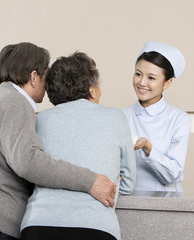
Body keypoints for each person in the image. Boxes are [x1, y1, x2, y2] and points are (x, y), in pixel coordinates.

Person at [0, 42, 117, 240]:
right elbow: (28, 161)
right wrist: (90, 180)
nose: (48, 84)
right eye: (46, 74)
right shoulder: (14, 101)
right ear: (33, 77)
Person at [20, 52, 136, 240]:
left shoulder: (40, 120)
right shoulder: (116, 118)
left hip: (38, 225)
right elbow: (128, 183)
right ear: (91, 90)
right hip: (96, 226)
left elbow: (31, 172)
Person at [122, 41, 191, 192]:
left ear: (167, 83)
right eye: (138, 74)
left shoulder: (178, 119)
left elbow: (173, 175)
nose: (141, 82)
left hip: (166, 204)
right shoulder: (121, 116)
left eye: (151, 78)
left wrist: (148, 148)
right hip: (128, 203)